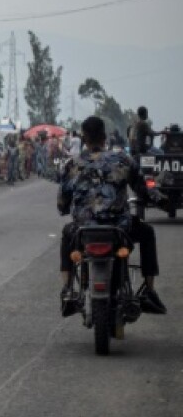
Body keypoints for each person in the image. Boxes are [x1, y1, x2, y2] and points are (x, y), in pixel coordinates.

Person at [57, 116, 166, 316]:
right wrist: (159, 199)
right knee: (147, 232)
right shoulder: (123, 160)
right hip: (119, 229)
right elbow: (142, 189)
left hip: (84, 231)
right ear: (104, 137)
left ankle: (67, 290)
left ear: (84, 138)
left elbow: (62, 202)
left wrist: (65, 208)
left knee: (66, 235)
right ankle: (149, 291)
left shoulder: (72, 164)